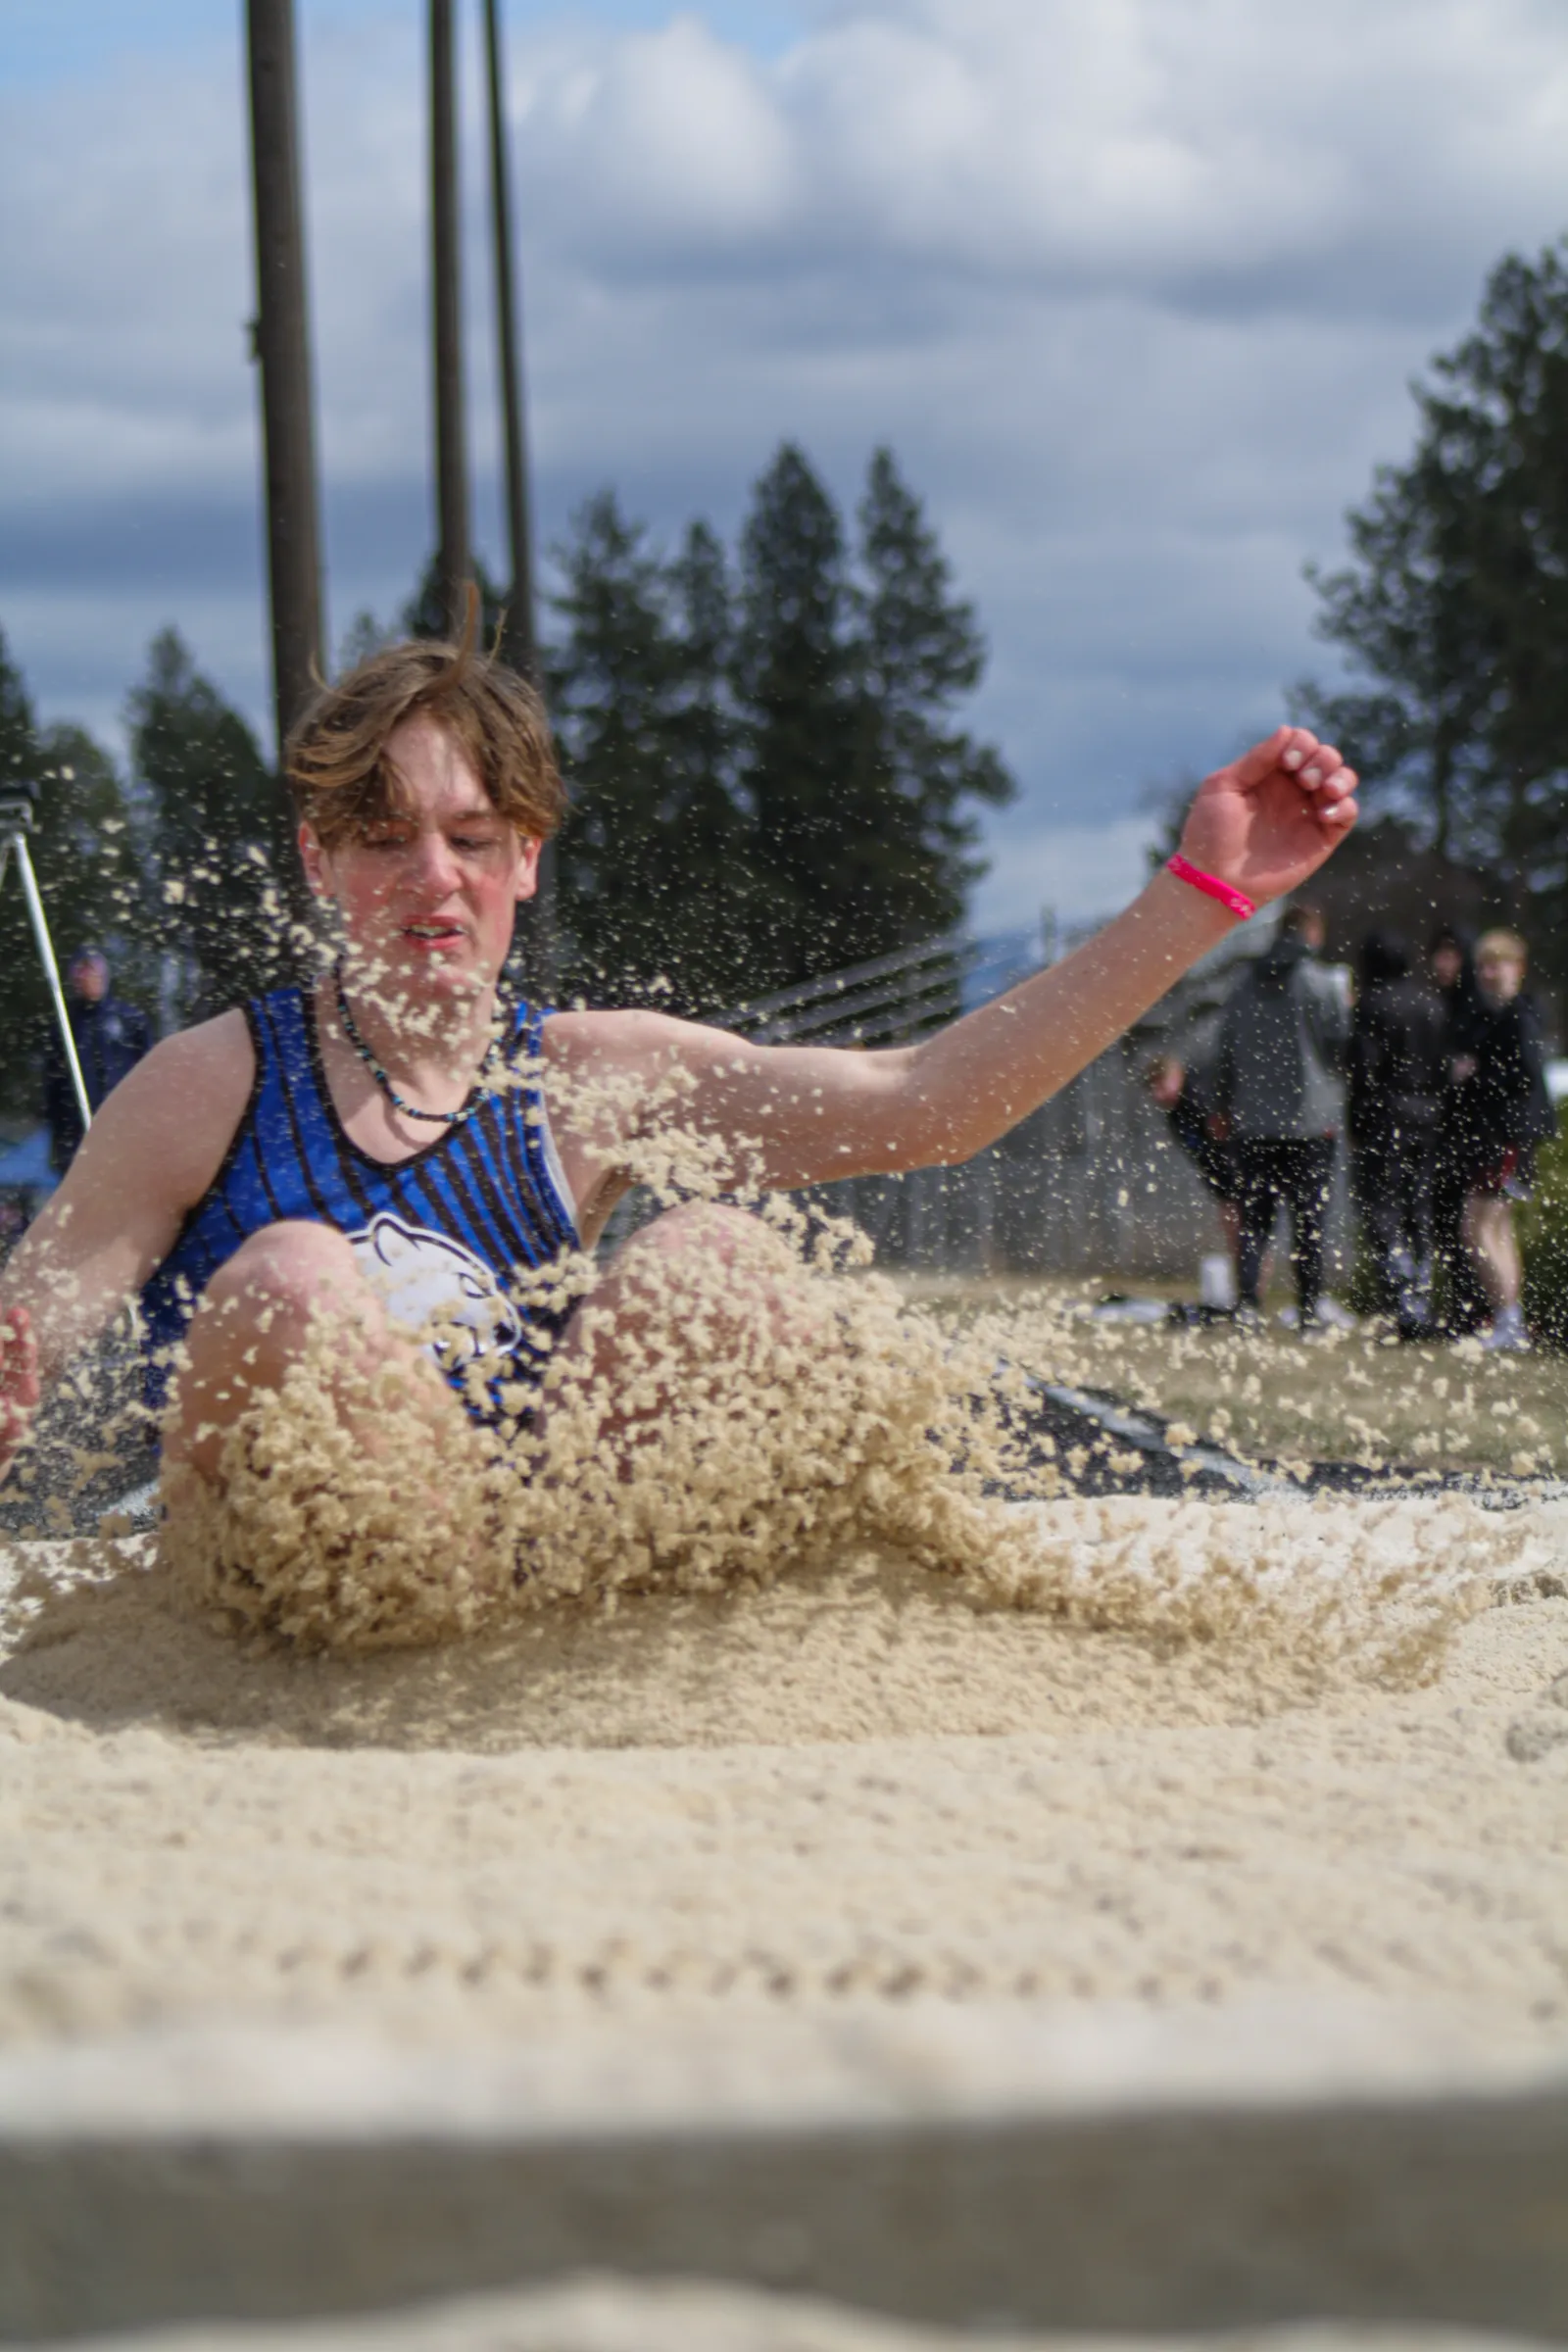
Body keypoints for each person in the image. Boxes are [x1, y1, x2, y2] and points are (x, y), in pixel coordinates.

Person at [0, 628, 1359, 1532]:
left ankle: (678, 1616)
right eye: (383, 839)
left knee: (712, 1254)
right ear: (317, 862)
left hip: (506, 1558)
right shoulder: (207, 1080)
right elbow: (28, 1334)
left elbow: (930, 1102)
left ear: (527, 858)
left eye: (473, 838)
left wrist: (1199, 896)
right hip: (279, 1570)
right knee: (292, 1276)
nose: (432, 880)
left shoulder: (586, 1080)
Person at [1213, 902, 1352, 1330]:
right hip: (1311, 1122)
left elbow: (1225, 1051)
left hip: (1254, 1123)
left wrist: (1224, 1105)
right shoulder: (1319, 981)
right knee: (1310, 1222)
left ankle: (1247, 1307)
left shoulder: (1241, 984)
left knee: (1256, 1223)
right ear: (1312, 934)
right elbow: (1339, 1042)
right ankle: (1309, 1311)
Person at [1446, 928, 1555, 1352]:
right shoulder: (1496, 1013)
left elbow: (1525, 1074)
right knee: (1497, 1229)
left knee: (1475, 1228)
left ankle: (1509, 1318)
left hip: (1506, 1134)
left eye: (1499, 964)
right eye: (1485, 966)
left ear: (1518, 969)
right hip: (1501, 1133)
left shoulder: (1518, 1016)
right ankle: (1511, 1320)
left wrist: (1475, 1073)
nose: (1490, 974)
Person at [1347, 928, 1448, 1339]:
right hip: (1428, 1115)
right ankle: (1421, 1298)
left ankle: (1405, 1304)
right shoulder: (1431, 1001)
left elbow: (1363, 1070)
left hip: (1385, 1116)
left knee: (1383, 1210)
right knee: (1418, 1209)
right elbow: (1443, 1066)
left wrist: (1357, 1122)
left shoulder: (1371, 1004)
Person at [41, 946, 153, 1174]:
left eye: (93, 971)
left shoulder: (128, 1019)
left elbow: (149, 1071)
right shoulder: (64, 1025)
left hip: (121, 1124)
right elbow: (52, 1085)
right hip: (76, 1131)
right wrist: (58, 1140)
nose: (88, 978)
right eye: (82, 973)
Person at [1427, 923, 1490, 1334]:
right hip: (1444, 1131)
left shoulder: (1478, 1008)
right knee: (1446, 1224)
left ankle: (1480, 1309)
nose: (1441, 963)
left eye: (1451, 954)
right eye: (1438, 953)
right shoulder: (1435, 1004)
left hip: (1476, 1132)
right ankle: (1460, 1306)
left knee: (1475, 1225)